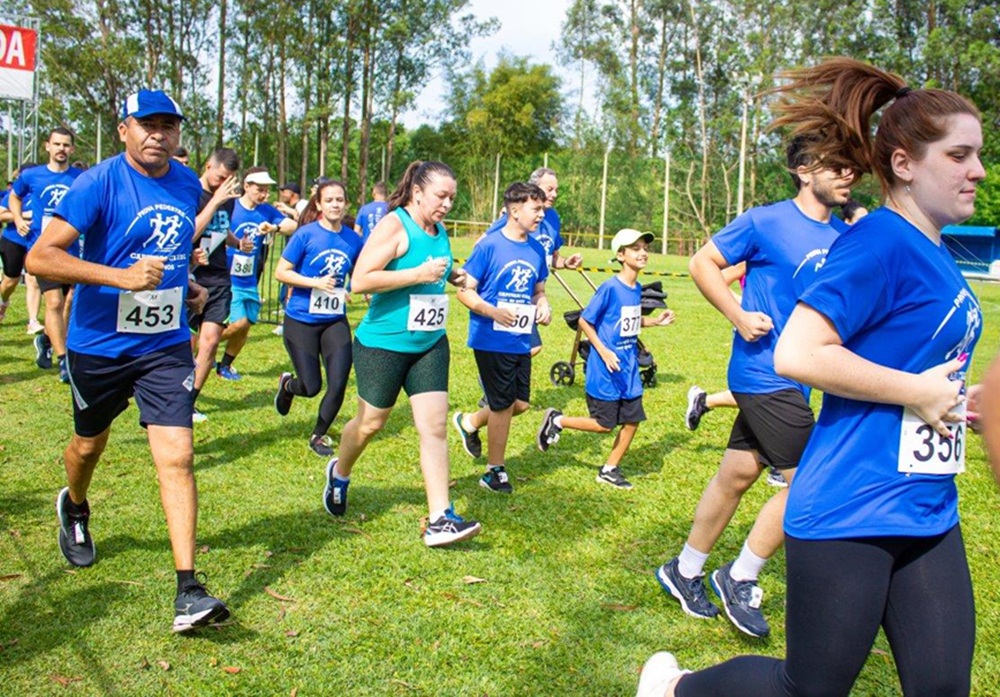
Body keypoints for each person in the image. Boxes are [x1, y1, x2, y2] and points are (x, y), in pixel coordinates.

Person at [638, 57, 985, 697]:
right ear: (904, 163)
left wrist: (968, 399)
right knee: (811, 689)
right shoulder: (879, 241)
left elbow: (920, 361)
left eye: (980, 155)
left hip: (927, 506)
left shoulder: (933, 249)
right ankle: (676, 689)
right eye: (960, 155)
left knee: (942, 688)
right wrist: (920, 392)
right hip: (852, 504)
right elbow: (799, 352)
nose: (979, 171)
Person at [25, 89, 229, 633]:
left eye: (168, 125)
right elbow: (39, 256)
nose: (158, 134)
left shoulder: (188, 184)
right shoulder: (98, 182)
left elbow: (173, 247)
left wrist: (185, 287)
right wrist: (119, 278)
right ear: (124, 130)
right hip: (100, 345)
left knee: (178, 455)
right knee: (88, 445)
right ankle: (74, 503)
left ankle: (188, 589)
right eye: (147, 124)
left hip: (162, 345)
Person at [654, 134, 853, 639]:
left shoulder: (844, 238)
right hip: (763, 374)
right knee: (810, 482)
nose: (850, 173)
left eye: (853, 165)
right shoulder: (766, 220)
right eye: (838, 164)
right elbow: (702, 263)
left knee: (737, 475)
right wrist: (739, 315)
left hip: (800, 380)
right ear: (805, 170)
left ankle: (685, 569)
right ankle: (740, 576)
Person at [321, 160, 481, 547]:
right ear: (417, 192)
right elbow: (360, 280)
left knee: (436, 426)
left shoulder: (438, 229)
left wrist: (451, 275)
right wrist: (418, 275)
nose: (446, 205)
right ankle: (339, 472)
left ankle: (442, 517)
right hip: (383, 345)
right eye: (441, 196)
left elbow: (432, 268)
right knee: (370, 424)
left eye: (452, 198)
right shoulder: (394, 224)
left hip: (429, 343)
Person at [536, 228, 674, 489]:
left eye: (645, 248)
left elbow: (629, 321)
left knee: (633, 419)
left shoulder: (635, 289)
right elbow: (585, 321)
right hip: (606, 368)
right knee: (604, 424)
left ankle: (609, 468)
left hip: (628, 368)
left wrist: (655, 321)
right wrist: (604, 351)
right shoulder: (610, 287)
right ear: (621, 255)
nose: (643, 253)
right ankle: (557, 420)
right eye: (636, 249)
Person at [451, 182, 552, 494]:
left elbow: (538, 290)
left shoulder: (536, 249)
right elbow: (464, 291)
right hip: (490, 337)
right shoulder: (489, 246)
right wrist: (491, 311)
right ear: (514, 210)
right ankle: (494, 471)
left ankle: (469, 422)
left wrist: (543, 304)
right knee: (503, 403)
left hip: (520, 337)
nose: (542, 214)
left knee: (519, 404)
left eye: (543, 208)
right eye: (536, 208)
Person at [274, 179, 363, 456]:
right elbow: (281, 272)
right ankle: (288, 385)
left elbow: (359, 275)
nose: (335, 204)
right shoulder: (305, 235)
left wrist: (352, 290)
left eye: (340, 200)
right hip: (301, 319)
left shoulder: (353, 238)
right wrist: (315, 283)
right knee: (311, 387)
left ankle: (318, 435)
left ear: (346, 203)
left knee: (338, 381)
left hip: (334, 319)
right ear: (319, 205)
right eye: (329, 200)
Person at [9, 129, 84, 382]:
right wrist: (18, 218)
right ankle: (64, 363)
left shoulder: (80, 178)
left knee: (68, 302)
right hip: (42, 250)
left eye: (66, 145)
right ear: (47, 147)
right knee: (53, 303)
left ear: (72, 149)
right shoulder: (32, 175)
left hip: (71, 251)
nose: (61, 149)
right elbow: (14, 196)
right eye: (57, 144)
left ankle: (47, 340)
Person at [215, 167, 295, 381]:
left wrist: (275, 228)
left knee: (246, 325)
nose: (264, 195)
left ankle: (224, 365)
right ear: (246, 186)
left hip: (250, 279)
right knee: (238, 323)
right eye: (260, 189)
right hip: (226, 277)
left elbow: (292, 225)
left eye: (267, 191)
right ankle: (201, 348)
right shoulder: (230, 207)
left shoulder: (266, 211)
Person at [188, 148, 246, 421]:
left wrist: (237, 242)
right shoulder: (189, 193)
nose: (223, 184)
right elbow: (190, 232)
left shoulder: (228, 199)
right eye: (220, 177)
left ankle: (189, 400)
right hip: (190, 276)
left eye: (229, 180)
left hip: (219, 277)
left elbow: (219, 229)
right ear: (208, 165)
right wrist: (214, 201)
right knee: (185, 343)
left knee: (209, 343)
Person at [0, 162, 43, 334]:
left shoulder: (42, 191)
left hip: (36, 240)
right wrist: (21, 216)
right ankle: (3, 300)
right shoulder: (14, 194)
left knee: (33, 278)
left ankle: (32, 321)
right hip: (14, 240)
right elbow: (1, 215)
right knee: (11, 280)